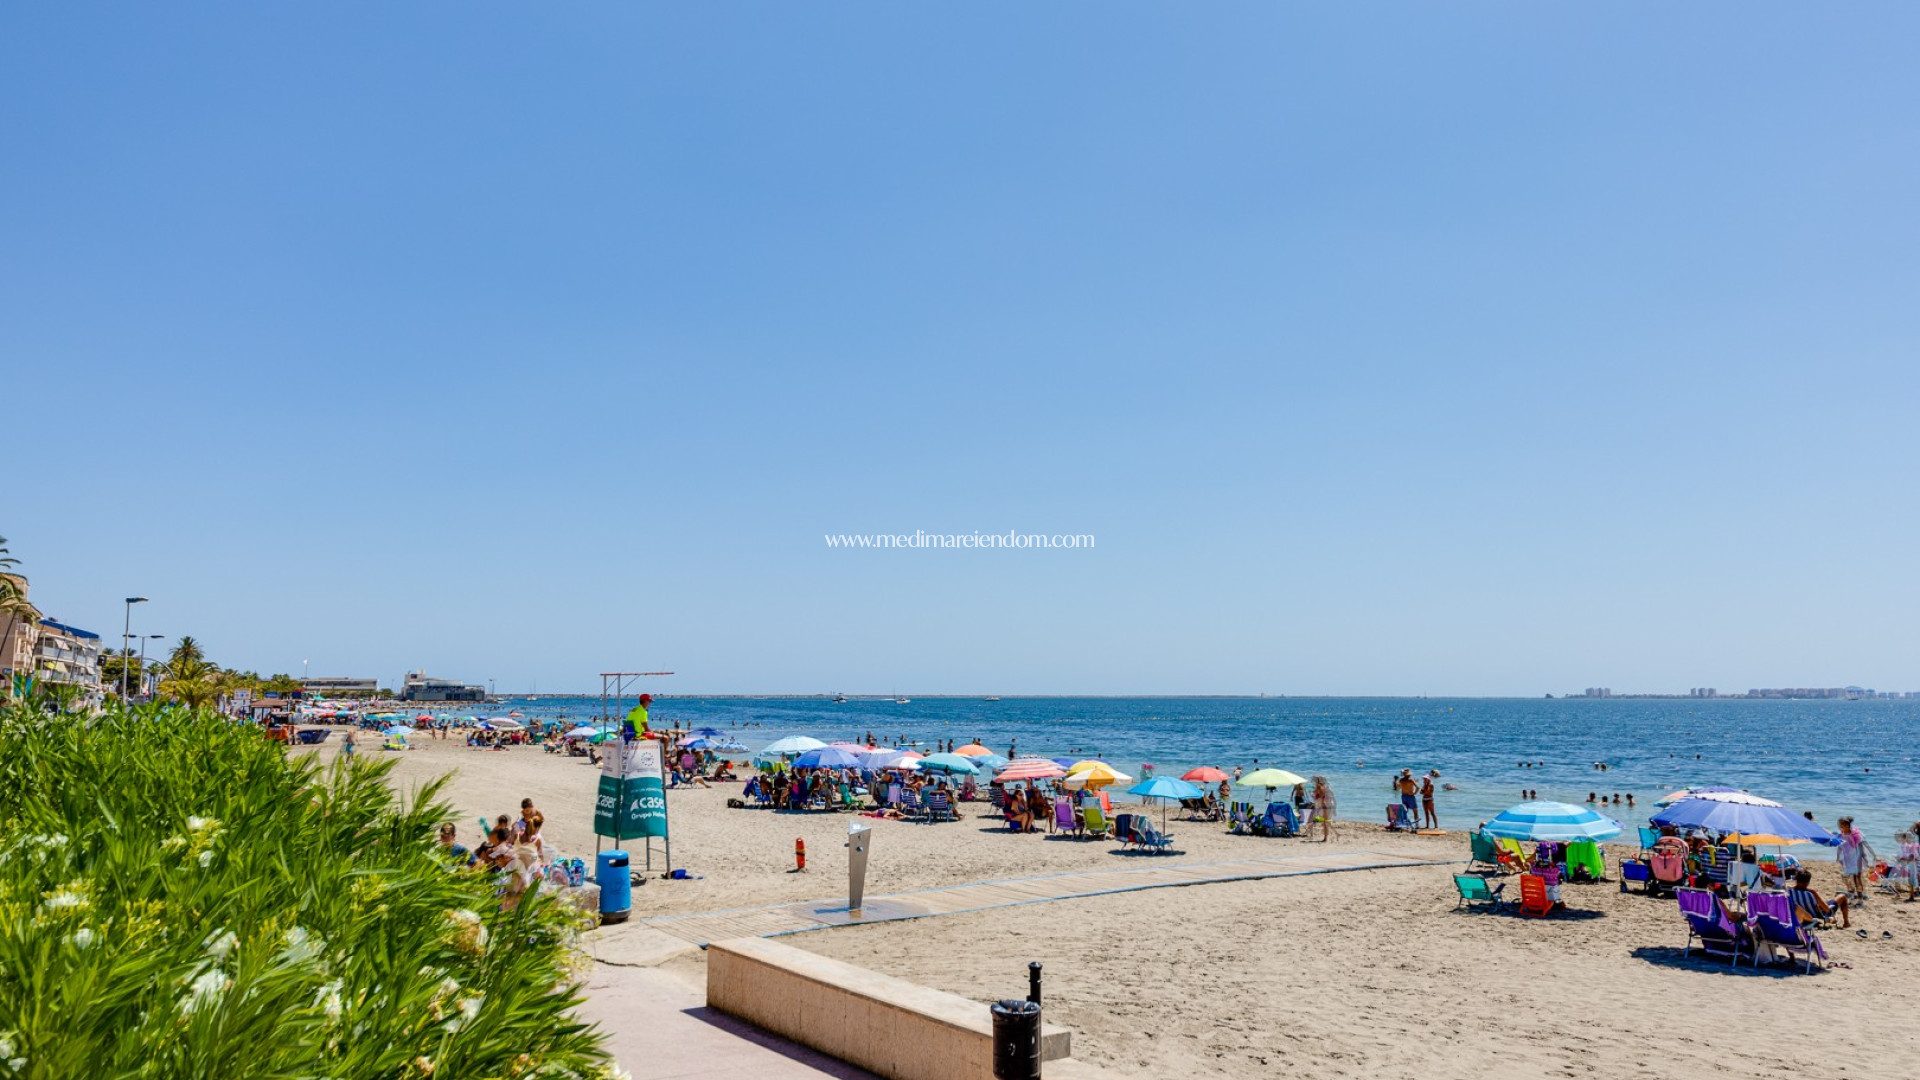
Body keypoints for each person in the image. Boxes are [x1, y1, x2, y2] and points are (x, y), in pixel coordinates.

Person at [1836, 817, 1876, 902]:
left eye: (1842, 825)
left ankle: (1860, 898)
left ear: (1847, 825)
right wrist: (1838, 857)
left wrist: (1873, 855)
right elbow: (1839, 847)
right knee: (1846, 877)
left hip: (1857, 859)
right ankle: (1854, 893)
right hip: (1848, 860)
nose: (1840, 826)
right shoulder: (1841, 835)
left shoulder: (1856, 835)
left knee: (1857, 878)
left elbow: (1866, 845)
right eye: (1840, 825)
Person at [1311, 775, 1337, 842]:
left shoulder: (1321, 788)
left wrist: (1314, 795)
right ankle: (1329, 836)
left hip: (1325, 807)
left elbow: (1321, 798)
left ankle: (1326, 838)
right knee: (1326, 822)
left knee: (1325, 823)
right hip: (1328, 806)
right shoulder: (1326, 787)